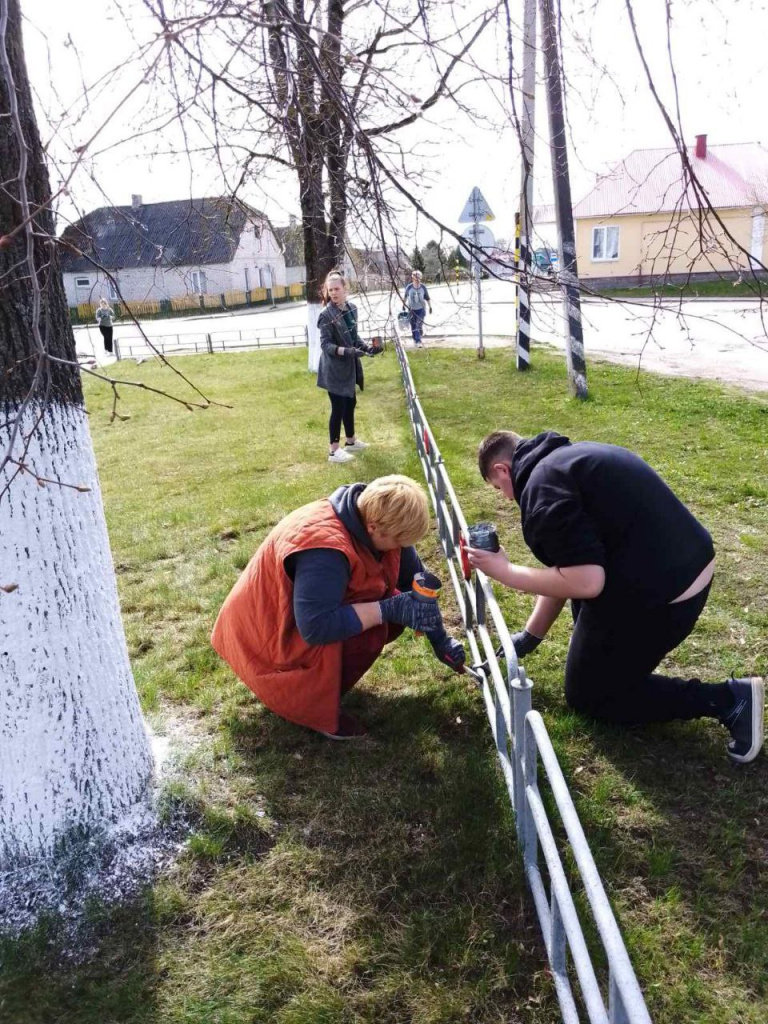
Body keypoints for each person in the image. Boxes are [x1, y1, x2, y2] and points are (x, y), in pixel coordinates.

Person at [467, 429, 764, 764]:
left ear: (502, 470)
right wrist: (530, 636)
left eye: (498, 489)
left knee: (588, 696)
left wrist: (505, 572)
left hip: (667, 595)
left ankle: (727, 699)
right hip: (686, 568)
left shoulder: (541, 493)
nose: (506, 497)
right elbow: (567, 568)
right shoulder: (566, 460)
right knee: (590, 635)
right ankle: (612, 663)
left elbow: (586, 581)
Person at [211, 475, 466, 739]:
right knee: (369, 627)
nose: (401, 548)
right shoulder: (325, 550)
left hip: (292, 617)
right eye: (398, 542)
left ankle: (325, 685)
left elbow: (416, 583)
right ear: (373, 527)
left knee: (379, 611)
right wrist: (387, 609)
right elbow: (315, 626)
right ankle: (312, 707)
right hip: (264, 639)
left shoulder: (376, 518)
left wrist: (441, 641)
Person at [316, 271, 381, 465]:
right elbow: (326, 346)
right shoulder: (326, 315)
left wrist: (368, 348)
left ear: (345, 289)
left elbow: (354, 337)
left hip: (349, 369)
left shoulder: (352, 309)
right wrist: (349, 352)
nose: (334, 293)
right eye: (331, 290)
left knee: (350, 403)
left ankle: (351, 441)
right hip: (333, 370)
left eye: (337, 289)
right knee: (338, 407)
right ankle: (333, 451)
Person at [403, 270, 432, 348]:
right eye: (416, 278)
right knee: (413, 325)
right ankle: (415, 338)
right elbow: (405, 296)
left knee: (417, 324)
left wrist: (430, 307)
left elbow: (427, 297)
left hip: (421, 309)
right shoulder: (409, 287)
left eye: (419, 278)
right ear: (413, 278)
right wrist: (403, 305)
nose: (417, 280)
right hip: (411, 309)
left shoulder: (423, 287)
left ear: (420, 278)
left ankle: (418, 341)